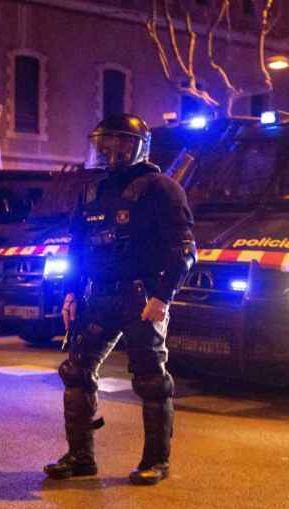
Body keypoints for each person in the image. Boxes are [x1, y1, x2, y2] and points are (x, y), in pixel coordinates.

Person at [43, 114, 196, 486]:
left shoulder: (161, 188)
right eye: (104, 145)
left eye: (120, 145)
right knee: (76, 372)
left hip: (142, 299)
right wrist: (70, 293)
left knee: (151, 382)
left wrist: (163, 296)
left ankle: (155, 461)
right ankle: (80, 457)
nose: (110, 153)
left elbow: (185, 250)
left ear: (139, 146)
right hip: (98, 296)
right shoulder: (92, 192)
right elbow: (77, 250)